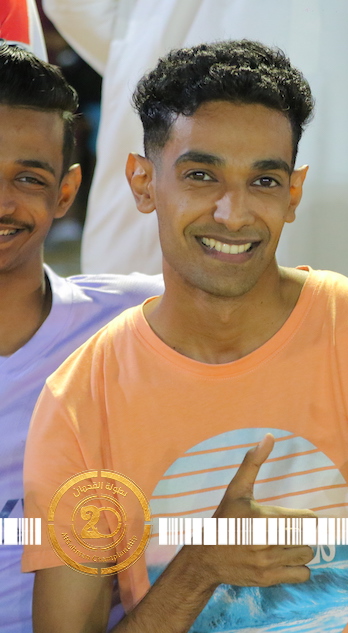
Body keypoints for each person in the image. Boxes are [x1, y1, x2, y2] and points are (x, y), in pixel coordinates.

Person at [23, 40, 348, 633]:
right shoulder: (80, 400)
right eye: (201, 176)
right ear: (143, 182)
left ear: (293, 193)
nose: (234, 213)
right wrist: (199, 569)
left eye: (265, 181)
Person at [42, 0, 348, 297]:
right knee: (141, 336)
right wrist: (168, 76)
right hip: (186, 107)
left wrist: (154, 64)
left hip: (343, 117)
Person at [0, 42, 163, 633]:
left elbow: (294, 313)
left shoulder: (135, 319)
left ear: (65, 193)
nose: (2, 202)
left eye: (28, 177)